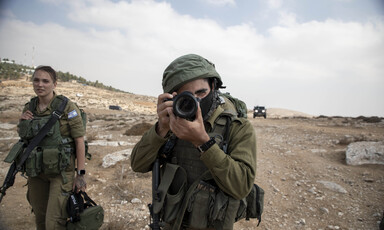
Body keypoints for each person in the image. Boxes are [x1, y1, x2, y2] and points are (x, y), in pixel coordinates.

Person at [131, 54, 257, 230]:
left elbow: (241, 186)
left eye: (201, 93)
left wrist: (203, 142)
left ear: (213, 87)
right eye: (186, 97)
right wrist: (161, 128)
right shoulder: (171, 125)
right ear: (171, 98)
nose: (196, 102)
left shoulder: (237, 127)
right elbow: (137, 164)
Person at [18, 65, 87, 230]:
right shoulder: (30, 107)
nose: (40, 85)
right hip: (37, 172)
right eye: (36, 80)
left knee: (54, 223)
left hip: (61, 173)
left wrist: (80, 174)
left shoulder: (67, 107)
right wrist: (22, 123)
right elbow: (25, 139)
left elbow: (79, 141)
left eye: (45, 81)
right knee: (40, 220)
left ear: (54, 84)